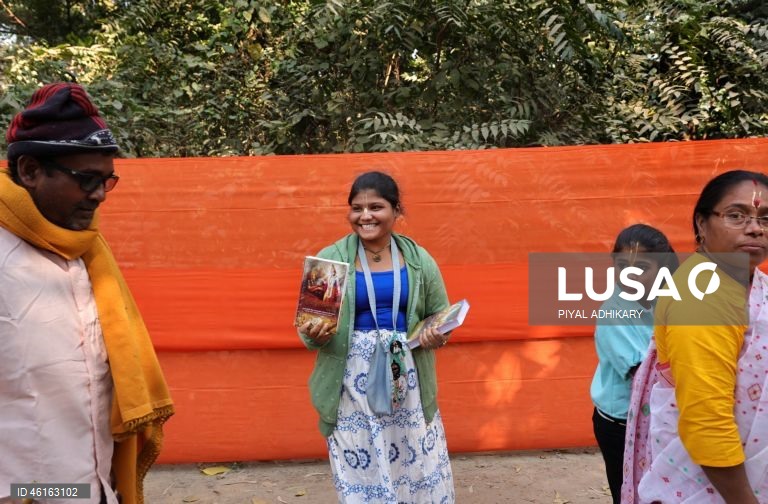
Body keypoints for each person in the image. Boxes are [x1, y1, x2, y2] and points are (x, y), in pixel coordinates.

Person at [0, 83, 174, 504]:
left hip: (93, 484)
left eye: (106, 180)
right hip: (24, 489)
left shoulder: (88, 252)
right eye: (85, 179)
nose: (98, 195)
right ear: (29, 171)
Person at [297, 171, 455, 503]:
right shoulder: (331, 258)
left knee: (417, 461)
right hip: (350, 382)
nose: (365, 216)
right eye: (357, 208)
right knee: (360, 459)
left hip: (407, 379)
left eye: (376, 207)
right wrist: (315, 333)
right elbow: (310, 328)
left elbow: (440, 314)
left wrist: (434, 334)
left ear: (397, 211)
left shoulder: (418, 259)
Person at [623, 170, 768, 503]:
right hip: (709, 486)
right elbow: (707, 421)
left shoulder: (744, 281)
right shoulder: (703, 296)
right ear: (702, 225)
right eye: (736, 215)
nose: (756, 228)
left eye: (766, 218)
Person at [589, 224, 678, 504]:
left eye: (641, 267)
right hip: (620, 422)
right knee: (628, 491)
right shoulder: (614, 312)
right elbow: (641, 375)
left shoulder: (672, 299)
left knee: (661, 489)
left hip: (661, 415)